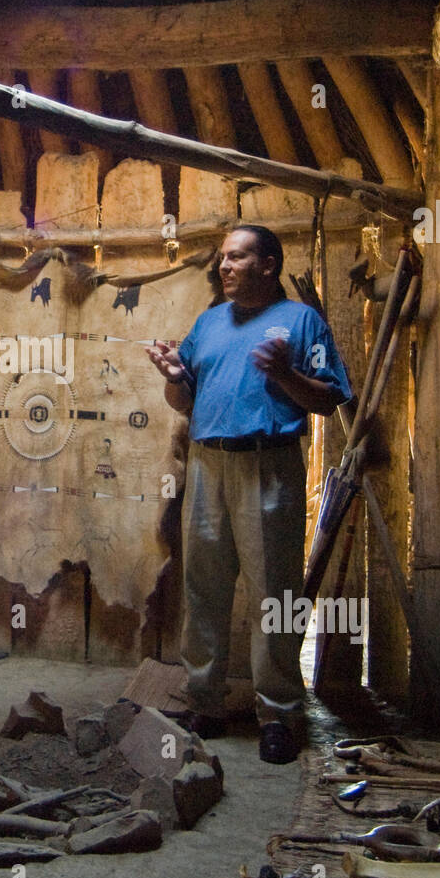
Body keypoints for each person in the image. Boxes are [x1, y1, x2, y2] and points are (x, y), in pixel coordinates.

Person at [146, 225, 353, 764]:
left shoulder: (301, 321)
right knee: (204, 588)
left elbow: (328, 400)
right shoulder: (210, 323)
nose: (225, 267)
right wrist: (172, 375)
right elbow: (183, 398)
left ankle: (279, 714)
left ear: (269, 264)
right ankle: (205, 704)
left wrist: (284, 373)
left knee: (274, 595)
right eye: (222, 258)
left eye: (237, 258)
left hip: (269, 465)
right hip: (207, 463)